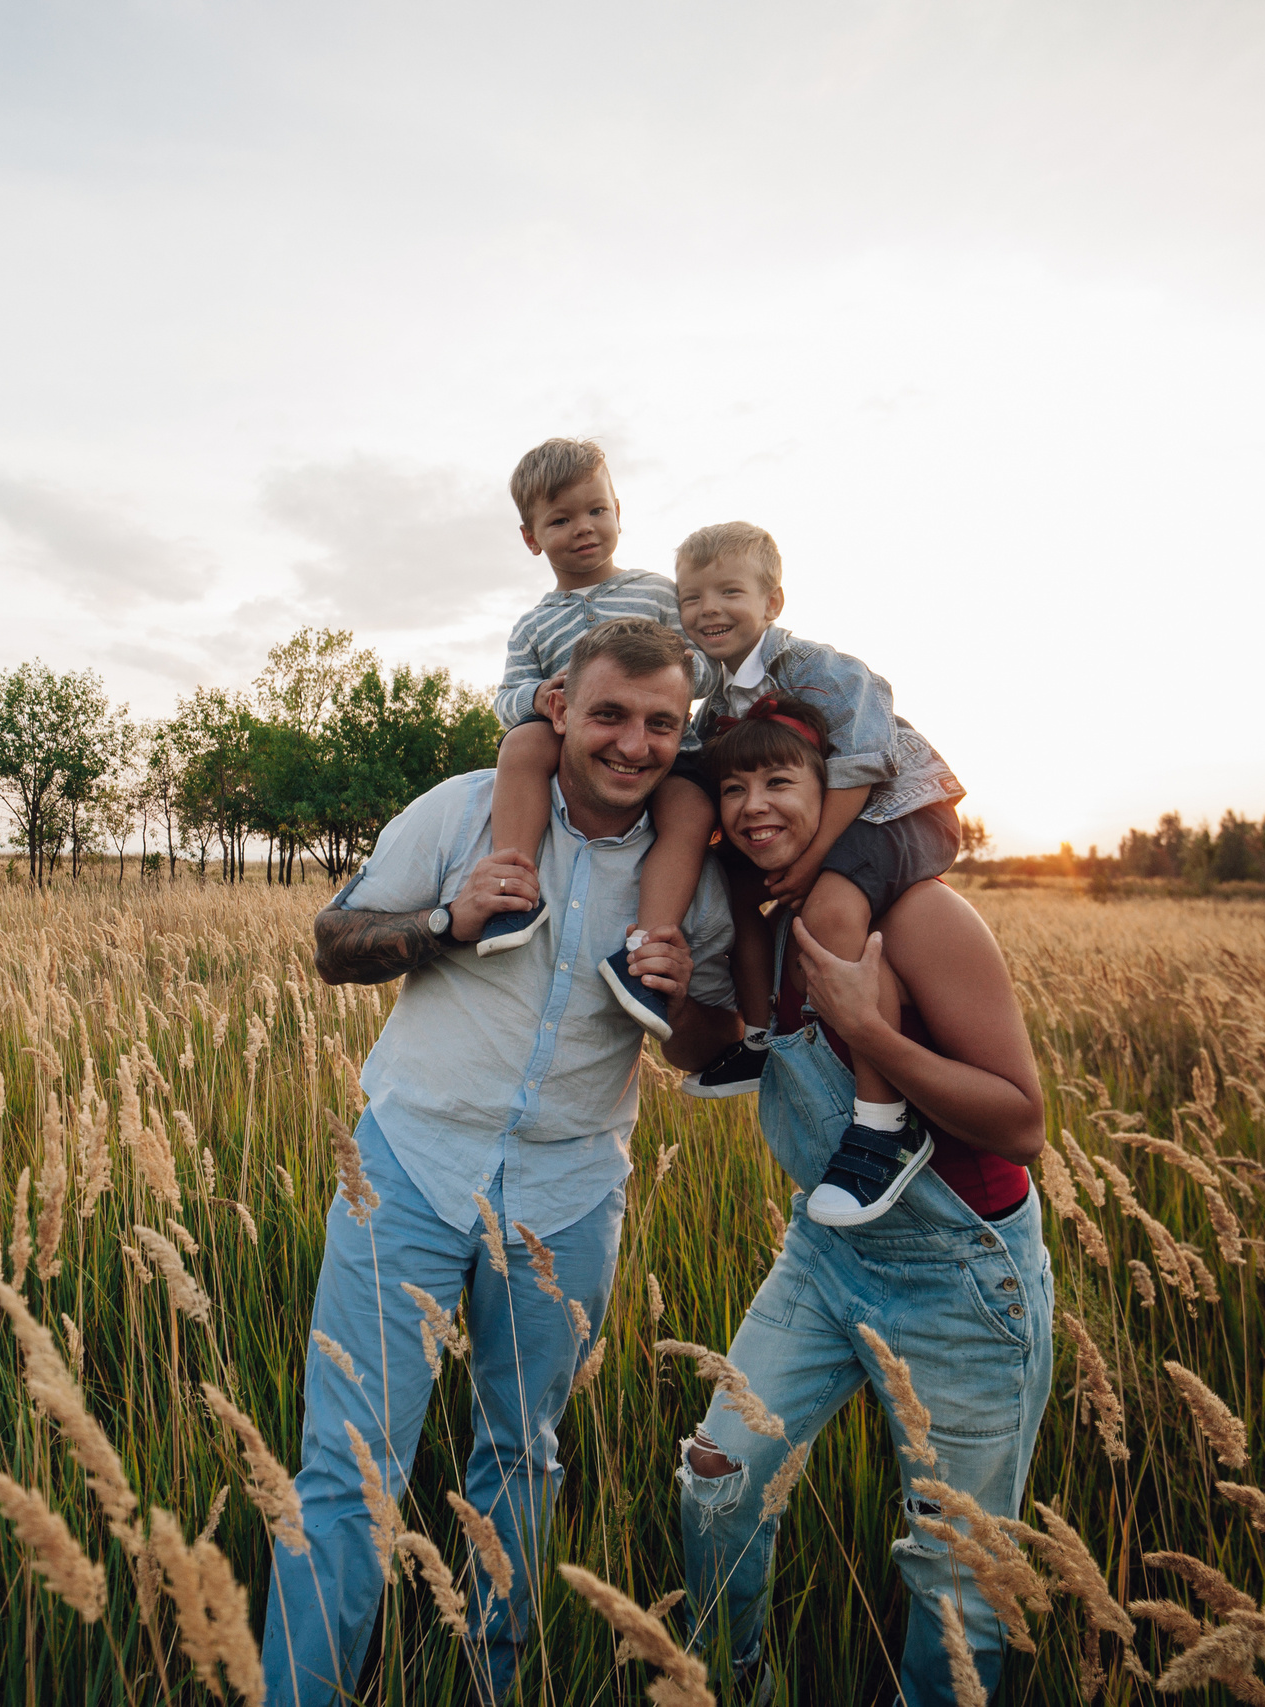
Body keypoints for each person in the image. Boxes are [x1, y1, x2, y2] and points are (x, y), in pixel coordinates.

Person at [271, 617, 745, 1705]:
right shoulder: (463, 810)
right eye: (611, 715)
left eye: (660, 723)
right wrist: (446, 917)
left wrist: (678, 998)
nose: (632, 743)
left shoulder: (691, 876)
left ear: (683, 732)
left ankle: (494, 1685)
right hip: (407, 1171)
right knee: (346, 1470)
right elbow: (334, 942)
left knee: (523, 1456)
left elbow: (713, 1047)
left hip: (567, 1195)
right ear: (559, 712)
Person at [664, 701, 1051, 1707]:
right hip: (828, 1256)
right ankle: (730, 1680)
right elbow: (730, 1056)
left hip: (960, 1272)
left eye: (778, 782)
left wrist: (867, 1033)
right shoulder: (762, 925)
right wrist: (665, 993)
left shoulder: (919, 916)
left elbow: (1019, 1124)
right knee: (718, 1472)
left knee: (957, 1566)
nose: (753, 808)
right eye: (732, 788)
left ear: (837, 790)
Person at [671, 522, 970, 1228]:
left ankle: (883, 1119)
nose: (708, 608)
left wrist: (812, 863)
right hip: (820, 824)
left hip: (899, 810)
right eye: (691, 596)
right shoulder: (714, 701)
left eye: (729, 591)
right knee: (735, 885)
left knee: (829, 912)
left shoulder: (814, 667)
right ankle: (756, 1038)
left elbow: (867, 758)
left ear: (773, 601)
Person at [480, 438, 715, 1044]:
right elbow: (506, 697)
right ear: (532, 537)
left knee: (690, 807)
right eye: (560, 520)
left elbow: (707, 670)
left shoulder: (657, 593)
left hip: (657, 754)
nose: (583, 529)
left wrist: (683, 672)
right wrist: (537, 700)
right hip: (570, 748)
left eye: (595, 511)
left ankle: (646, 948)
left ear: (618, 511)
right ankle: (513, 889)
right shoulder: (534, 624)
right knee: (521, 747)